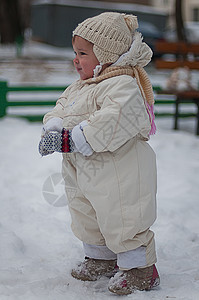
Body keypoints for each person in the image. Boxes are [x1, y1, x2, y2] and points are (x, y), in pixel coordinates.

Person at [38, 12, 160, 295]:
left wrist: (71, 139)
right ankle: (101, 259)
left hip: (120, 172)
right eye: (74, 53)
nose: (75, 59)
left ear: (106, 54)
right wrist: (52, 127)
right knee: (87, 214)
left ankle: (140, 269)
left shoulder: (123, 85)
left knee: (123, 216)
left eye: (82, 53)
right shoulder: (80, 86)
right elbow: (61, 107)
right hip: (83, 169)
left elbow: (114, 119)